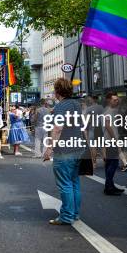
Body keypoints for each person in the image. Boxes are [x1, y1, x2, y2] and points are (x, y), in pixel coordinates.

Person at [43, 78, 85, 225]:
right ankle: (75, 214)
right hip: (78, 147)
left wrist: (49, 148)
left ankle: (67, 216)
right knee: (74, 182)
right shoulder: (76, 104)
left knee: (65, 183)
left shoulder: (61, 106)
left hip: (65, 149)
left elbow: (57, 128)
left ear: (57, 91)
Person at [102, 92, 124, 196]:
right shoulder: (108, 112)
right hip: (111, 141)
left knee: (109, 163)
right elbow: (107, 126)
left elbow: (120, 103)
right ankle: (108, 187)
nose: (117, 101)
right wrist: (115, 139)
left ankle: (110, 185)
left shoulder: (112, 110)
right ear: (109, 100)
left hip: (110, 140)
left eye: (117, 99)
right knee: (113, 163)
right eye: (114, 100)